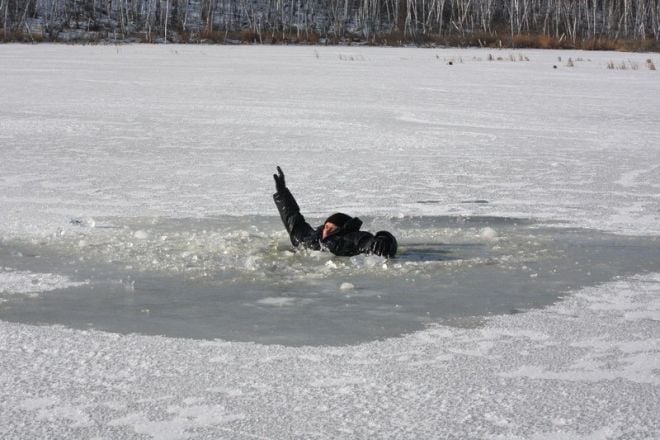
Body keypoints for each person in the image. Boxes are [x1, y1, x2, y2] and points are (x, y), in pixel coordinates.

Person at [273, 166, 397, 258]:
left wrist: (383, 239)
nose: (327, 230)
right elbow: (293, 218)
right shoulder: (310, 238)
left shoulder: (351, 238)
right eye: (327, 226)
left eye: (333, 228)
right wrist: (282, 193)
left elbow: (369, 241)